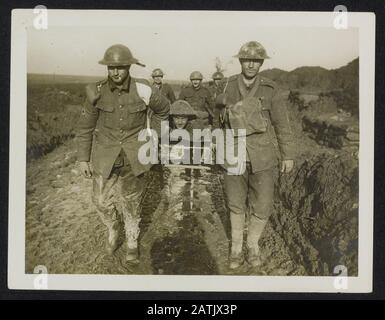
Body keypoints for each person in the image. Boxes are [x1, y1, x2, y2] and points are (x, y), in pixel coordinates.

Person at [75, 44, 170, 263]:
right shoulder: (95, 92)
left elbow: (164, 110)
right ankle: (113, 228)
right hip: (105, 156)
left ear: (129, 66)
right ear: (106, 68)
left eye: (120, 67)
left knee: (132, 201)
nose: (115, 72)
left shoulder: (144, 89)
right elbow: (85, 127)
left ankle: (131, 240)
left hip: (134, 155)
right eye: (111, 67)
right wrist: (82, 159)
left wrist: (153, 139)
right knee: (99, 200)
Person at [216, 41, 295, 270]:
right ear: (240, 61)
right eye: (247, 60)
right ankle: (236, 248)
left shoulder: (271, 89)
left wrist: (287, 154)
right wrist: (219, 149)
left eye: (256, 60)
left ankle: (252, 246)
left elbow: (282, 124)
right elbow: (217, 121)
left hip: (262, 156)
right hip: (234, 153)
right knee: (235, 203)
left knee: (262, 205)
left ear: (261, 63)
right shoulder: (227, 86)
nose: (251, 64)